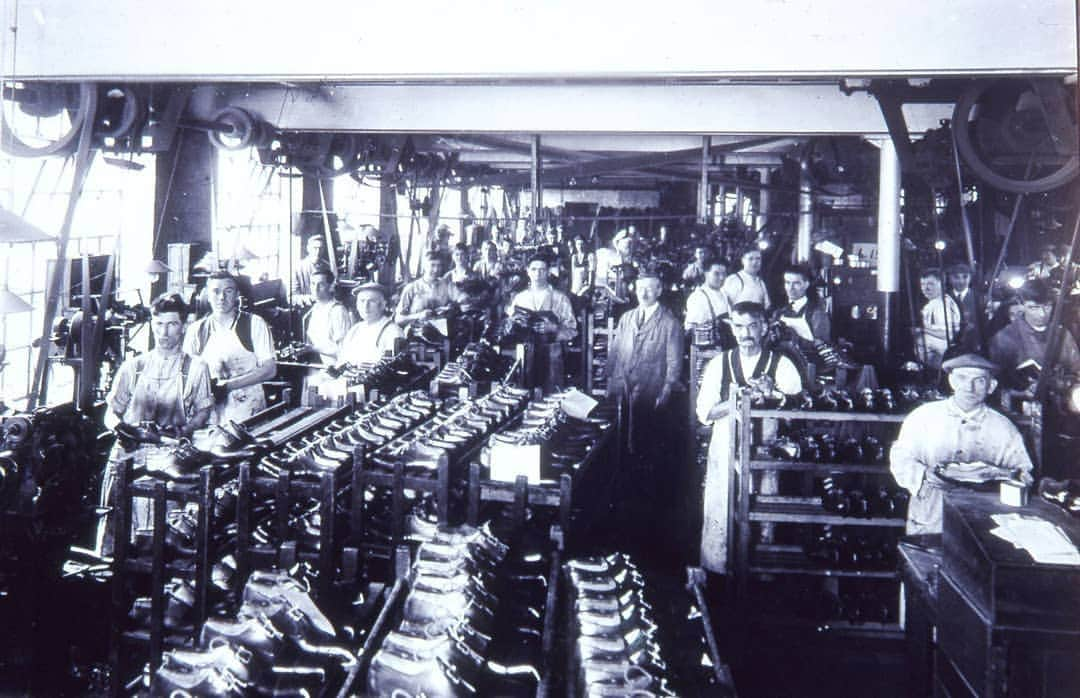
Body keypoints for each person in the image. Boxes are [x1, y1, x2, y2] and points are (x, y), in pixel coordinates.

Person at [98, 293, 215, 554]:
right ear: (152, 324)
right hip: (128, 459)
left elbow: (203, 412)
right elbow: (111, 412)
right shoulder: (134, 367)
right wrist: (121, 428)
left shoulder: (196, 368)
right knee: (120, 537)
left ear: (184, 326)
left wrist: (184, 429)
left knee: (161, 539)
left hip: (168, 461)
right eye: (159, 324)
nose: (164, 332)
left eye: (172, 324)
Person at [696, 302, 802, 573]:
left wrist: (772, 394)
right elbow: (704, 411)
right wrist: (738, 400)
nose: (746, 333)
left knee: (765, 504)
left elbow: (797, 408)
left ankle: (764, 570)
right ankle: (718, 570)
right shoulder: (720, 364)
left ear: (764, 327)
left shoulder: (782, 364)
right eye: (739, 326)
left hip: (767, 448)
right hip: (726, 445)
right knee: (722, 505)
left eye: (752, 326)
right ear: (732, 328)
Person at [890, 353, 1034, 534]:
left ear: (991, 386)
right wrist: (924, 475)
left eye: (979, 381)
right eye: (962, 378)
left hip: (984, 516)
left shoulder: (1004, 428)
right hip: (931, 513)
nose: (969, 387)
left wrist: (1005, 476)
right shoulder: (923, 416)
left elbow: (1023, 473)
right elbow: (901, 458)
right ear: (951, 381)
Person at [183, 271, 277, 425]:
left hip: (248, 413)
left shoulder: (254, 324)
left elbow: (270, 369)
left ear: (237, 294)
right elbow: (186, 374)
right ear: (207, 294)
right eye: (216, 291)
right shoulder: (196, 330)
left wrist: (228, 386)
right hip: (210, 416)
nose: (222, 297)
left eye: (228, 291)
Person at [607, 270, 684, 453]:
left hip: (651, 387)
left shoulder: (670, 323)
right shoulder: (627, 318)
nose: (644, 293)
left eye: (649, 289)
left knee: (647, 439)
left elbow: (674, 361)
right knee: (621, 435)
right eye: (640, 288)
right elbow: (615, 351)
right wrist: (610, 381)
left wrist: (667, 389)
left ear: (659, 291)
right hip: (624, 385)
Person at [989, 278, 1080, 390]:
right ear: (1021, 304)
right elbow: (996, 384)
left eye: (1047, 306)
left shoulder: (1063, 334)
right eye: (1034, 307)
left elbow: (1077, 370)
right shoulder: (1004, 338)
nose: (1042, 314)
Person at [507, 254, 577, 392]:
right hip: (526, 354)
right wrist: (513, 325)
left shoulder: (560, 298)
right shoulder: (520, 298)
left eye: (542, 270)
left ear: (548, 271)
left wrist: (555, 328)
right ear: (527, 271)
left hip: (552, 355)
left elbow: (573, 330)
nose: (537, 274)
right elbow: (509, 328)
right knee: (523, 394)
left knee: (551, 396)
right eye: (534, 269)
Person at [395, 251, 465, 326]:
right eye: (432, 265)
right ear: (424, 266)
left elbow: (463, 298)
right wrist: (418, 316)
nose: (436, 270)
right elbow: (398, 319)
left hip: (441, 331)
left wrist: (455, 305)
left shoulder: (446, 285)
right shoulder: (412, 288)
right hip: (416, 332)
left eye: (439, 266)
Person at [340, 283, 404, 365]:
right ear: (357, 305)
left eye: (372, 301)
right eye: (362, 301)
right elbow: (342, 360)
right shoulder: (355, 329)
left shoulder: (393, 332)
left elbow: (394, 368)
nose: (365, 306)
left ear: (383, 305)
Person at [304, 265, 353, 365]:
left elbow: (342, 350)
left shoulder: (337, 311)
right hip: (317, 364)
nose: (315, 289)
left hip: (334, 367)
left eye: (321, 284)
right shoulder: (316, 308)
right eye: (313, 284)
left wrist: (312, 349)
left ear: (331, 286)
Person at [772, 265, 830, 344]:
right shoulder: (778, 312)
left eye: (796, 283)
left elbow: (822, 345)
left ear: (806, 284)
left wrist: (795, 337)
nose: (791, 288)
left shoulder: (816, 313)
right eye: (787, 283)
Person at [914, 269, 961, 369]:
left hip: (940, 359)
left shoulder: (941, 306)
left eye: (930, 284)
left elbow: (948, 334)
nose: (925, 288)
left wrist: (921, 330)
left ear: (941, 284)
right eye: (922, 284)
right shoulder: (937, 302)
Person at [684, 259, 732, 342]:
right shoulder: (698, 297)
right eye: (716, 274)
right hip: (708, 347)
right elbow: (692, 330)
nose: (721, 278)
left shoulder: (723, 292)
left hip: (724, 343)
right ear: (706, 274)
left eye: (724, 274)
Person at [947, 262, 981, 351]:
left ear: (970, 278)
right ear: (950, 279)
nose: (961, 281)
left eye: (965, 277)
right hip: (951, 345)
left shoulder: (979, 298)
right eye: (956, 277)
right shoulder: (945, 298)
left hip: (974, 345)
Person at [292, 235, 326, 305]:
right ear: (308, 249)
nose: (318, 252)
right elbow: (291, 297)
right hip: (305, 308)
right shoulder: (297, 268)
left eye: (321, 248)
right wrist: (309, 298)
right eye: (315, 248)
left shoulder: (328, 266)